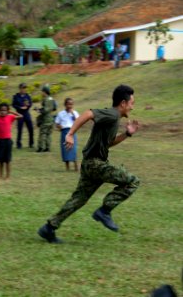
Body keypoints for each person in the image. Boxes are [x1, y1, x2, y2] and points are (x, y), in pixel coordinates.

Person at [38, 85, 141, 243]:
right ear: (123, 103)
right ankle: (104, 211)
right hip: (95, 164)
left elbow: (108, 143)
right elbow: (88, 113)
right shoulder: (112, 114)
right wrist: (70, 134)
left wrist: (127, 134)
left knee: (79, 199)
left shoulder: (114, 119)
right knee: (132, 181)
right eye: (132, 103)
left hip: (90, 164)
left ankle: (49, 228)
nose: (133, 107)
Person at [0, 103, 22, 180]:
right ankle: (0, 175)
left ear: (7, 111)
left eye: (5, 110)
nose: (3, 112)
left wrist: (11, 112)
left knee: (7, 160)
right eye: (1, 110)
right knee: (0, 160)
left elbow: (20, 116)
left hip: (7, 141)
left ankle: (8, 176)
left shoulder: (10, 117)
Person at [55, 98, 79, 171]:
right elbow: (57, 123)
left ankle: (76, 167)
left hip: (72, 132)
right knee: (65, 149)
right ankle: (67, 168)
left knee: (73, 149)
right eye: (68, 104)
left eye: (71, 104)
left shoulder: (75, 113)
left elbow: (78, 122)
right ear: (65, 105)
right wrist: (60, 127)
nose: (70, 106)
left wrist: (72, 114)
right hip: (64, 132)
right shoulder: (61, 113)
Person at [12, 83, 34, 149]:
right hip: (19, 114)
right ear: (20, 88)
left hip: (26, 113)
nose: (24, 89)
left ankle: (31, 144)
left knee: (30, 129)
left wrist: (27, 106)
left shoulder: (27, 96)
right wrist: (20, 107)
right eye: (23, 88)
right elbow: (14, 105)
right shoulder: (16, 96)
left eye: (25, 88)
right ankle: (19, 144)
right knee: (20, 129)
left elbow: (30, 103)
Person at [36, 86, 57, 152]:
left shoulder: (45, 99)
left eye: (42, 92)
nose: (41, 93)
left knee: (42, 133)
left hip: (45, 119)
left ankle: (40, 147)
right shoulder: (52, 99)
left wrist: (38, 110)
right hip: (51, 118)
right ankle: (47, 147)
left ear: (45, 92)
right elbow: (54, 108)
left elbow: (45, 110)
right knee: (48, 134)